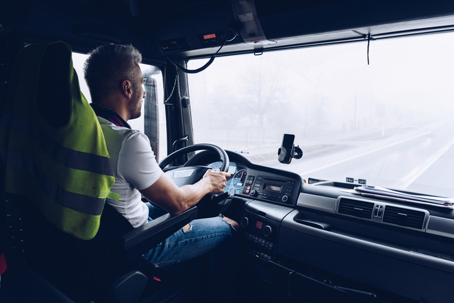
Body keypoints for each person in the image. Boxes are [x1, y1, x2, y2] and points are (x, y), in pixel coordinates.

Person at [83, 44, 238, 300]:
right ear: (127, 88)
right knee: (228, 228)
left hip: (105, 237)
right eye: (142, 84)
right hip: (135, 245)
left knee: (185, 215)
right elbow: (178, 203)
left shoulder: (83, 129)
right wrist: (208, 183)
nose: (144, 93)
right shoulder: (127, 140)